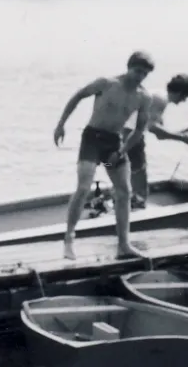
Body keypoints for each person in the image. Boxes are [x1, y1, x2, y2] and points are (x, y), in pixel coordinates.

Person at [53, 51, 156, 261]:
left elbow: (139, 130)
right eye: (137, 71)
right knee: (84, 187)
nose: (140, 76)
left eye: (144, 74)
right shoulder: (107, 83)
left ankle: (123, 245)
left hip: (112, 148)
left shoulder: (143, 97)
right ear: (129, 67)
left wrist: (122, 152)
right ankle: (69, 239)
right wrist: (61, 124)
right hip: (92, 141)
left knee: (124, 191)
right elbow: (78, 95)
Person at [124, 74, 188, 209]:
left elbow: (161, 132)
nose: (183, 101)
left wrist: (183, 133)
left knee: (129, 171)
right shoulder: (160, 100)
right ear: (179, 93)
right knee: (139, 174)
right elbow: (156, 131)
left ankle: (129, 201)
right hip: (129, 136)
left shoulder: (156, 95)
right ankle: (138, 211)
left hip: (122, 134)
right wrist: (184, 139)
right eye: (185, 97)